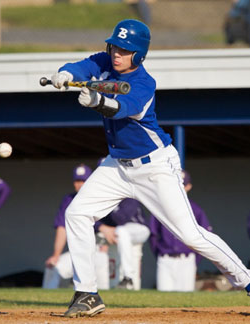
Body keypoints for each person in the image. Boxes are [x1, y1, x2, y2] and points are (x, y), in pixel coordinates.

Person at [50, 18, 250, 318]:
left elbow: (123, 109)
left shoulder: (145, 82)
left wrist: (97, 102)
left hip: (154, 166)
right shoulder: (106, 61)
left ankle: (246, 281)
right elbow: (84, 65)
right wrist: (66, 74)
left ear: (139, 54)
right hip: (116, 165)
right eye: (115, 46)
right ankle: (87, 293)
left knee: (190, 234)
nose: (117, 53)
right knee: (77, 213)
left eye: (126, 50)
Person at [149, 170, 212, 291]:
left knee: (186, 297)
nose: (180, 187)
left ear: (188, 187)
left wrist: (195, 259)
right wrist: (160, 253)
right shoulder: (160, 207)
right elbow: (153, 235)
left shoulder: (196, 210)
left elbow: (206, 236)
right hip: (165, 258)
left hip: (187, 259)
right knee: (164, 297)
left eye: (183, 184)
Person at [42, 163, 93, 289]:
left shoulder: (98, 197)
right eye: (77, 181)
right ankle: (46, 302)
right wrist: (56, 254)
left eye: (83, 181)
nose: (79, 184)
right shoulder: (69, 199)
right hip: (80, 248)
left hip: (99, 248)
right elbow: (61, 227)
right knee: (54, 265)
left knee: (101, 283)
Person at [94, 197, 150, 290]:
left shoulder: (129, 196)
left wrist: (108, 204)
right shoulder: (106, 197)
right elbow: (94, 221)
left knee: (121, 231)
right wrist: (103, 227)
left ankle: (128, 277)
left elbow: (122, 218)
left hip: (140, 228)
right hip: (121, 233)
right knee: (120, 233)